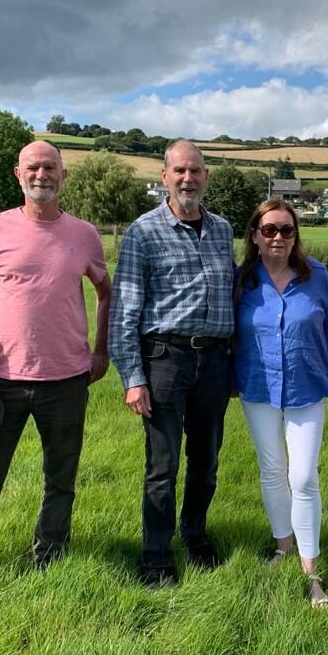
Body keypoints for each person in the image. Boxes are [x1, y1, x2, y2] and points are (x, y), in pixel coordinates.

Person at [0, 140, 112, 582]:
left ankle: (49, 560)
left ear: (63, 175)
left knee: (61, 479)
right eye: (33, 167)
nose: (41, 175)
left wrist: (101, 350)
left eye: (50, 167)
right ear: (18, 174)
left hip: (68, 380)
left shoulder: (84, 235)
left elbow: (107, 292)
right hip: (2, 382)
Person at [109, 140, 235, 589]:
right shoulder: (143, 232)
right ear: (164, 176)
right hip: (165, 358)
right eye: (180, 170)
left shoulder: (222, 230)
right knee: (163, 465)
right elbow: (125, 308)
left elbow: (233, 297)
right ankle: (156, 554)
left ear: (206, 177)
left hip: (215, 360)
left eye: (196, 171)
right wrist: (132, 377)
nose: (188, 179)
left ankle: (195, 536)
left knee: (207, 460)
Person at [233, 200, 328, 608]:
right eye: (269, 230)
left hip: (306, 387)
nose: (278, 237)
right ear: (254, 236)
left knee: (302, 476)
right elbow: (230, 330)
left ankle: (310, 567)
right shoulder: (243, 279)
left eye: (286, 230)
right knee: (271, 470)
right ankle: (283, 545)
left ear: (296, 235)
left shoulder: (315, 275)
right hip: (258, 386)